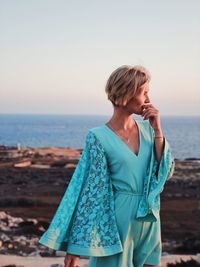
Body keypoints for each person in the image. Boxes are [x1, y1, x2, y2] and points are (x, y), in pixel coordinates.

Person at [38, 65, 175, 267]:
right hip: (115, 225)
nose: (148, 100)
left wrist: (158, 131)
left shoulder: (150, 130)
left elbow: (167, 171)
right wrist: (75, 248)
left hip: (150, 219)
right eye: (144, 92)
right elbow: (89, 191)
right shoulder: (98, 137)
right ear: (127, 93)